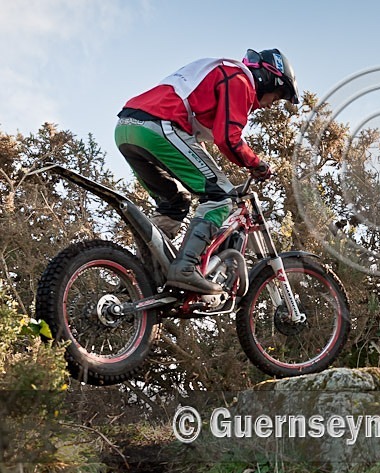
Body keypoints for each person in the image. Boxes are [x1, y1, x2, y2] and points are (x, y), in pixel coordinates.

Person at [115, 48, 299, 294]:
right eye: (275, 97)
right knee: (220, 197)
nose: (269, 106)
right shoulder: (240, 79)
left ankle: (139, 280)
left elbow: (194, 148)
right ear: (267, 79)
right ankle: (186, 268)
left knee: (175, 203)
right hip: (158, 125)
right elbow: (229, 139)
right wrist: (257, 164)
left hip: (128, 129)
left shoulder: (220, 73)